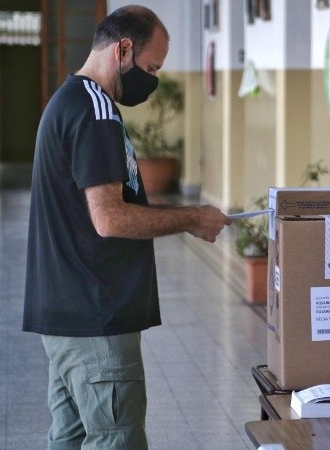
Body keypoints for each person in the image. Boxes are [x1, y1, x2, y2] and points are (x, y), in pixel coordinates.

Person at [23, 5, 230, 449]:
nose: (152, 81)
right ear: (123, 49)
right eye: (151, 67)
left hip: (66, 314)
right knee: (116, 439)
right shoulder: (95, 111)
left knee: (71, 438)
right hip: (95, 319)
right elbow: (110, 217)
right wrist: (192, 219)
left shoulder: (69, 101)